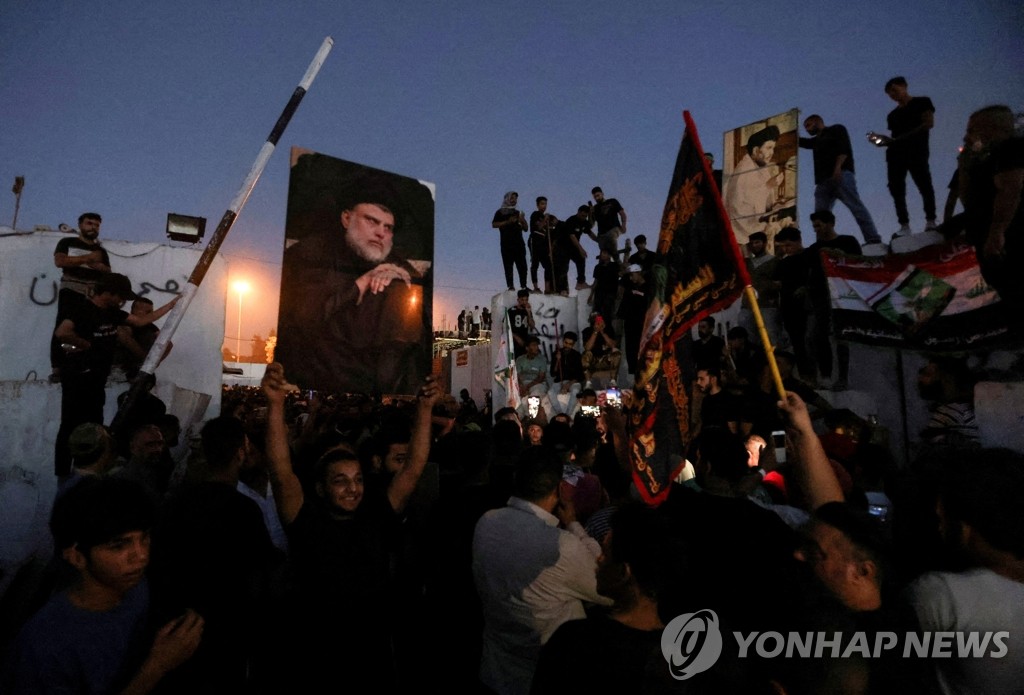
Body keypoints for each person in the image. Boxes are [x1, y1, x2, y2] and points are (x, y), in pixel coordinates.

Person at [261, 362, 438, 690]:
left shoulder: (377, 515)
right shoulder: (305, 521)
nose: (352, 488)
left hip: (370, 652)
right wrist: (274, 404)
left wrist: (425, 409)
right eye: (340, 481)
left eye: (357, 480)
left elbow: (414, 467)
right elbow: (280, 470)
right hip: (313, 653)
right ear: (320, 488)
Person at [3, 478, 203, 694]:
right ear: (77, 557)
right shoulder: (45, 647)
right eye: (119, 546)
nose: (141, 555)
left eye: (144, 538)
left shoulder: (136, 589)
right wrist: (157, 666)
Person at [472, 446, 611, 694]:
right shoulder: (561, 545)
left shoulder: (486, 522)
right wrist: (574, 525)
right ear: (559, 489)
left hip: (496, 668)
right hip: (547, 675)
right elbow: (607, 589)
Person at [276, 185, 429, 395]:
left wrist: (402, 280)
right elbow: (306, 319)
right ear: (347, 218)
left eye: (388, 227)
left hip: (373, 381)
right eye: (372, 221)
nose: (380, 233)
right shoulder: (310, 255)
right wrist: (362, 283)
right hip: (318, 375)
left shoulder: (399, 267)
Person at [53, 273, 178, 477]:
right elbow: (62, 332)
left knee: (95, 426)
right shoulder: (82, 309)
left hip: (97, 379)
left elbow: (140, 321)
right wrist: (86, 345)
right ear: (108, 293)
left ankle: (89, 469)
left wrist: (171, 305)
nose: (122, 302)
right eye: (120, 297)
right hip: (78, 378)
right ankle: (64, 475)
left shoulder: (112, 313)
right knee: (70, 425)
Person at [958, 104, 1024, 319]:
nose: (967, 135)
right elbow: (966, 199)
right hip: (987, 236)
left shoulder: (1010, 149)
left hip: (1010, 239)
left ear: (991, 129)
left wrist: (997, 232)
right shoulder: (983, 160)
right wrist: (964, 164)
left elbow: (1010, 189)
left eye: (972, 130)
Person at [799, 114, 882, 246]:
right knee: (820, 215)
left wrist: (838, 168)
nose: (807, 129)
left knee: (855, 206)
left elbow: (844, 149)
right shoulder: (815, 141)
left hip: (841, 175)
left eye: (808, 125)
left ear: (817, 122)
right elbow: (801, 142)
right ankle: (822, 245)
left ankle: (873, 238)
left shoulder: (836, 129)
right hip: (822, 182)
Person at [51, 212, 111, 382]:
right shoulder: (67, 242)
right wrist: (88, 259)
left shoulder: (101, 251)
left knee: (89, 329)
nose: (93, 227)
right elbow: (60, 261)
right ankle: (58, 368)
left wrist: (92, 263)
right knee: (63, 325)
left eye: (97, 225)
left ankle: (84, 364)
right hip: (71, 288)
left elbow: (107, 271)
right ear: (80, 225)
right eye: (89, 223)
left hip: (92, 294)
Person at [874, 76, 938, 236]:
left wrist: (896, 140)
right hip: (895, 154)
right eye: (890, 94)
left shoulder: (922, 102)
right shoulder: (892, 115)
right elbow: (893, 136)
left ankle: (931, 221)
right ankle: (904, 225)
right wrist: (883, 140)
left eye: (894, 90)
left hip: (917, 150)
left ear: (904, 86)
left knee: (923, 184)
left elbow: (928, 124)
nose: (893, 95)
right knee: (896, 189)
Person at [806, 211, 861, 389]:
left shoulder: (848, 242)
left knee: (841, 336)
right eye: (814, 226)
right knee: (818, 336)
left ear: (830, 223)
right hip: (822, 297)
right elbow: (811, 274)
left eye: (819, 225)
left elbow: (860, 265)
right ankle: (826, 375)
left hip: (844, 296)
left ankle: (843, 378)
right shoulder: (815, 249)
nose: (816, 229)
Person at [724, 124, 785, 245]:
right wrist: (768, 186)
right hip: (743, 235)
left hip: (758, 225)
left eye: (773, 148)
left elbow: (766, 203)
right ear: (756, 150)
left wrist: (777, 205)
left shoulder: (761, 167)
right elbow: (739, 208)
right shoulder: (743, 171)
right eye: (768, 148)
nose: (772, 153)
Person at [553, 204, 597, 293]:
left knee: (581, 259)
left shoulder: (584, 222)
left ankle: (580, 282)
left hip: (572, 247)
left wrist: (598, 240)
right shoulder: (571, 220)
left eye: (585, 216)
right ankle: (561, 289)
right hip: (563, 246)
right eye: (582, 215)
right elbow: (572, 237)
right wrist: (581, 249)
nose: (583, 217)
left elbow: (589, 232)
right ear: (578, 212)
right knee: (563, 268)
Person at [493, 191, 529, 291]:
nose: (514, 200)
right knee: (508, 266)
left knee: (522, 265)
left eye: (516, 198)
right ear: (507, 199)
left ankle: (524, 286)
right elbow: (494, 224)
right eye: (512, 198)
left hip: (519, 243)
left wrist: (522, 219)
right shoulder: (500, 212)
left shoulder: (517, 212)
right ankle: (510, 286)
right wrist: (507, 222)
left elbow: (526, 228)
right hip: (506, 244)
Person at [529, 196, 557, 293]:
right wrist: (545, 220)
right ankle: (536, 287)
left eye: (545, 204)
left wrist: (551, 223)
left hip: (543, 242)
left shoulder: (546, 218)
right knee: (535, 264)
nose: (544, 206)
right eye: (542, 204)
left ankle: (547, 288)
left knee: (548, 265)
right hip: (535, 240)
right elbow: (539, 227)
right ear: (537, 205)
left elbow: (550, 229)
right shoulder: (535, 214)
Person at [590, 187, 627, 257]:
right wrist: (590, 214)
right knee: (604, 255)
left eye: (598, 195)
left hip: (613, 229)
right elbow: (591, 224)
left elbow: (622, 213)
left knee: (611, 240)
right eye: (595, 197)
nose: (597, 198)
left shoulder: (612, 201)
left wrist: (624, 225)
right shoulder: (595, 208)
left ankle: (617, 261)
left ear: (602, 194)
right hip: (602, 234)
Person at [507, 289, 537, 358]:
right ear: (518, 300)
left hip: (525, 342)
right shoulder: (511, 310)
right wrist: (516, 337)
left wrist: (529, 312)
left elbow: (532, 326)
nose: (524, 302)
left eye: (526, 300)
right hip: (514, 343)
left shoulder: (527, 311)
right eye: (522, 300)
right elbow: (507, 327)